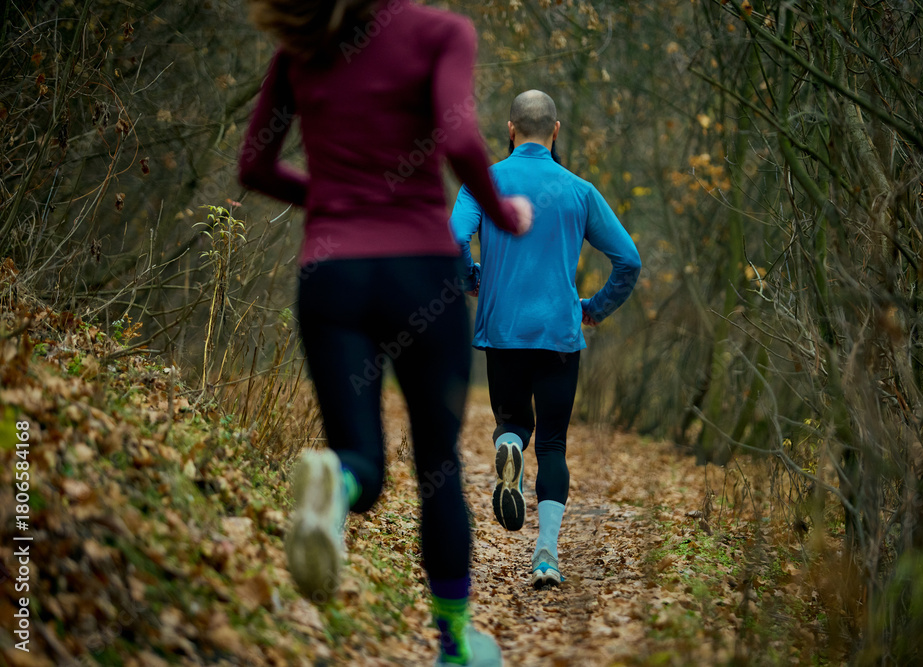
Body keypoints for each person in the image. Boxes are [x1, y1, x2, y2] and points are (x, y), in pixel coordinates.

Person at [238, 2, 532, 665]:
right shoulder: (439, 32)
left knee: (361, 460)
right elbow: (458, 141)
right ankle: (453, 647)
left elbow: (254, 165)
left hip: (331, 276)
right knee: (438, 466)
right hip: (420, 275)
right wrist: (504, 214)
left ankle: (336, 481)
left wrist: (335, 201)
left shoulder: (301, 44)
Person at [449, 89, 640, 589]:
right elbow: (629, 261)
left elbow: (448, 242)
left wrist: (473, 280)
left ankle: (509, 444)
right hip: (559, 333)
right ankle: (546, 556)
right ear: (555, 131)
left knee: (512, 421)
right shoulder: (579, 190)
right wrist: (593, 310)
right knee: (553, 446)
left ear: (511, 129)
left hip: (503, 330)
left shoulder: (483, 183)